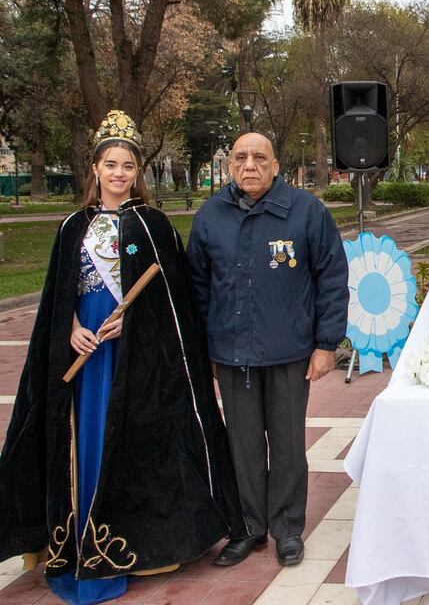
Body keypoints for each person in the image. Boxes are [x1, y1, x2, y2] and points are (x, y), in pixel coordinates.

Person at [0, 110, 246, 605]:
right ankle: (76, 538)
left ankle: (131, 542)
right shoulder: (73, 226)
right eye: (110, 164)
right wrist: (72, 328)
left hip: (134, 358)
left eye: (127, 166)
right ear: (95, 168)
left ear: (138, 172)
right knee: (84, 437)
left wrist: (129, 323)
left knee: (128, 438)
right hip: (85, 351)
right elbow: (56, 296)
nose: (118, 173)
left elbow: (171, 304)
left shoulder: (153, 226)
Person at [187, 133, 349, 568]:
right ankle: (248, 528)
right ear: (229, 166)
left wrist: (326, 344)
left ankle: (287, 530)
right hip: (231, 352)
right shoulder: (211, 215)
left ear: (276, 165)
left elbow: (331, 278)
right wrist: (205, 343)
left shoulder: (306, 212)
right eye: (240, 158)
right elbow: (197, 287)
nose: (250, 165)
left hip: (289, 351)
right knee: (241, 445)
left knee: (287, 443)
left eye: (259, 157)